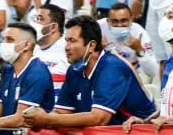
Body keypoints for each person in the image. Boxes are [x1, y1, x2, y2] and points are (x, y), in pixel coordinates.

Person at [23, 15, 154, 128]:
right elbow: (61, 112)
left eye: (72, 41)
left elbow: (100, 119)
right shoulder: (74, 69)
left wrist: (48, 119)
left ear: (91, 45)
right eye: (66, 41)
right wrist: (40, 117)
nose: (67, 47)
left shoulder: (112, 67)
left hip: (141, 134)